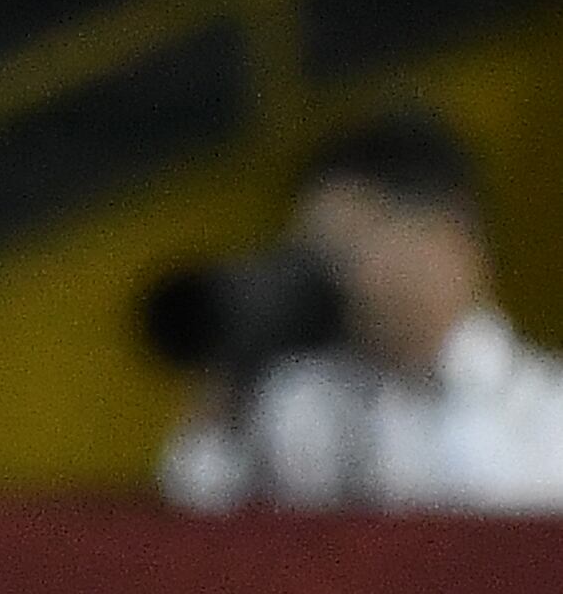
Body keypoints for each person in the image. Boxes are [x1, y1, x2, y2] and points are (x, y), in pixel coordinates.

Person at [157, 109, 563, 513]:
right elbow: (195, 530)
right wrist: (230, 383)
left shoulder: (546, 413)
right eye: (314, 255)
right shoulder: (297, 407)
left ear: (447, 235)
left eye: (351, 247)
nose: (335, 277)